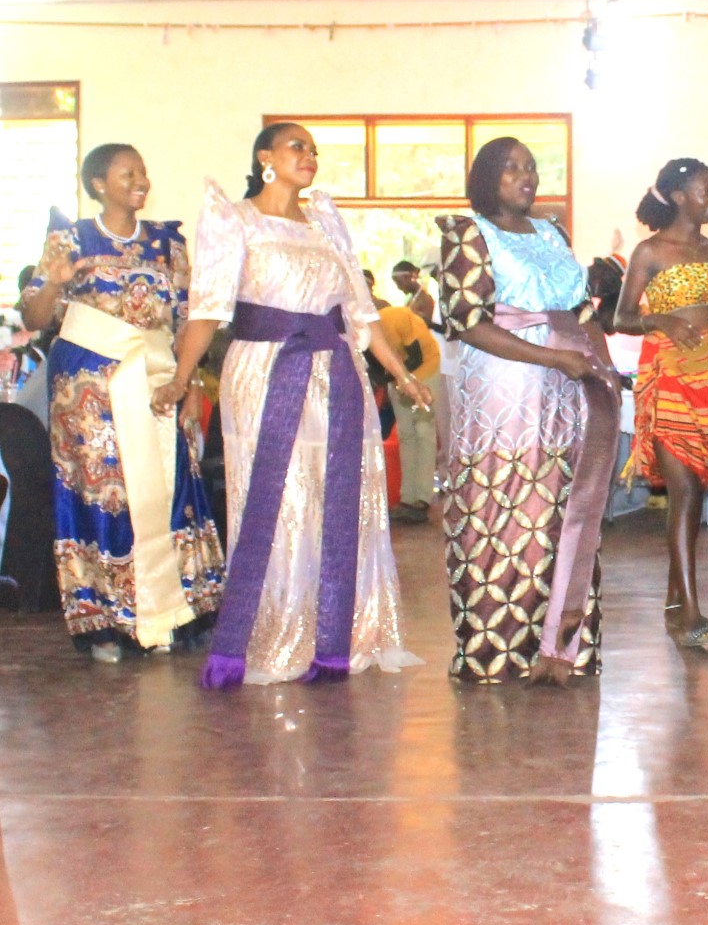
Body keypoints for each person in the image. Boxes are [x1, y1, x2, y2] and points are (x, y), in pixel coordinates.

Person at [163, 122, 428, 687]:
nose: (309, 155)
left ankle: (345, 632)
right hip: (265, 370)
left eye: (314, 150)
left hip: (338, 372)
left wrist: (402, 374)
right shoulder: (235, 219)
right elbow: (207, 309)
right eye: (296, 146)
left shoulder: (326, 221)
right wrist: (182, 377)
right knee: (281, 499)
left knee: (341, 494)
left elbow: (360, 312)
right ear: (265, 157)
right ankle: (282, 631)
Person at [20, 143, 226, 662]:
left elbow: (188, 318)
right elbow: (35, 318)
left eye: (142, 172)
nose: (140, 180)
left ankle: (169, 615)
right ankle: (107, 622)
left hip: (159, 383)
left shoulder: (167, 243)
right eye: (127, 173)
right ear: (98, 184)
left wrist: (190, 384)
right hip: (89, 395)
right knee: (103, 494)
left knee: (166, 491)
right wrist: (53, 284)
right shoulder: (70, 237)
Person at [437, 136, 621, 685]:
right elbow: (468, 322)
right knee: (504, 511)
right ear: (486, 177)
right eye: (512, 167)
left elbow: (582, 310)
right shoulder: (469, 232)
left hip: (567, 389)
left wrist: (601, 366)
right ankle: (498, 650)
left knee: (565, 510)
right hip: (503, 387)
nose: (526, 176)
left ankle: (562, 647)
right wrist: (553, 357)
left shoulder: (552, 232)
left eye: (532, 167)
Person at [614, 158, 708, 648]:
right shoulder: (649, 251)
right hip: (668, 378)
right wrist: (661, 320)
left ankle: (674, 604)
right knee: (684, 492)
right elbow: (621, 318)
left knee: (694, 493)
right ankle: (689, 612)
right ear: (681, 196)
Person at [375, 301, 440, 524]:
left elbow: (416, 356)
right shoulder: (359, 328)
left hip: (426, 370)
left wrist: (401, 379)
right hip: (398, 377)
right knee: (406, 435)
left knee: (423, 432)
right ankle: (407, 498)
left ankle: (422, 498)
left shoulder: (394, 317)